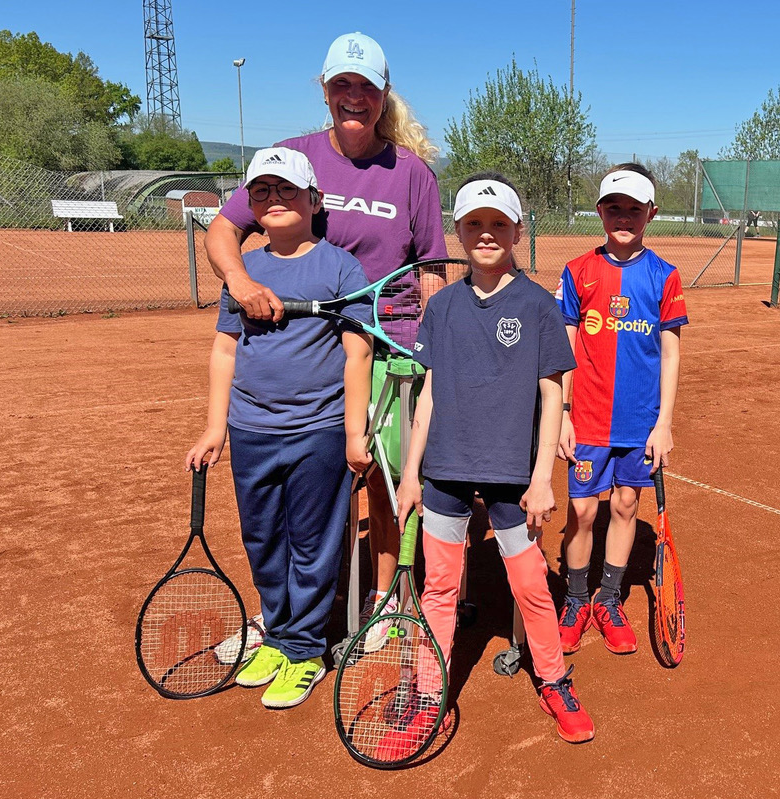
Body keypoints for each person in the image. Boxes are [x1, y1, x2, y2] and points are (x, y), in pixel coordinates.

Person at [205, 32, 448, 649]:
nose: (353, 97)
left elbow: (432, 272)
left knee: (388, 480)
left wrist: (438, 349)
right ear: (325, 91)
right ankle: (286, 614)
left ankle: (384, 600)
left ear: (382, 95)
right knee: (310, 487)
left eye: (365, 87)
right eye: (342, 85)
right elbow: (224, 231)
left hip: (389, 348)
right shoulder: (293, 159)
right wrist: (238, 282)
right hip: (311, 347)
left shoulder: (413, 173)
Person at [394, 174, 595, 745]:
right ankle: (429, 691)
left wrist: (541, 480)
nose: (487, 234)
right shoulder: (444, 306)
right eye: (475, 224)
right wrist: (411, 474)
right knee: (438, 586)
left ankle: (554, 679)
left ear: (516, 231)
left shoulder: (537, 304)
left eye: (498, 224)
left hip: (512, 475)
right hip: (444, 473)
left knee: (531, 583)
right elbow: (429, 392)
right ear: (458, 231)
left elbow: (553, 393)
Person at [185, 147, 374, 708]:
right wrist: (214, 427)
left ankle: (305, 649)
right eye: (261, 191)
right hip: (250, 431)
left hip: (318, 430)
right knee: (263, 538)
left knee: (314, 543)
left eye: (287, 190)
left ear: (315, 200)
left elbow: (357, 354)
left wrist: (353, 432)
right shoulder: (242, 274)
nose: (274, 200)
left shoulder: (342, 268)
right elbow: (225, 349)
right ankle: (279, 633)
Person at [555, 164, 689, 656]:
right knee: (584, 510)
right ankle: (575, 599)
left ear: (651, 213)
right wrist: (564, 413)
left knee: (627, 506)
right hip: (587, 417)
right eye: (614, 207)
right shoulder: (577, 272)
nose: (624, 217)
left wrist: (664, 424)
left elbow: (671, 353)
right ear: (600, 211)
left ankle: (608, 600)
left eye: (635, 209)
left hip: (638, 421)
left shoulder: (664, 277)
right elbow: (564, 346)